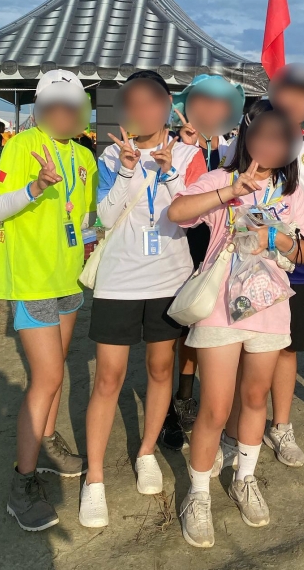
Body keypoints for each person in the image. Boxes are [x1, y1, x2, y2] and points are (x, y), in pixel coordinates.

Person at [168, 101, 304, 549]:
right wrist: (232, 192)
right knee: (215, 406)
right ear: (246, 138)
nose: (270, 145)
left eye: (280, 138)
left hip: (270, 307)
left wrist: (291, 242)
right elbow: (178, 213)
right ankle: (197, 495)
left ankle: (245, 478)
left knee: (255, 398)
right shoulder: (221, 179)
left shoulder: (291, 194)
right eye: (263, 135)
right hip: (218, 308)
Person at [78, 72, 206, 528]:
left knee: (159, 369)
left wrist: (169, 172)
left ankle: (147, 450)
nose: (143, 111)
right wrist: (129, 168)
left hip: (169, 279)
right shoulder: (112, 153)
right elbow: (106, 215)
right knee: (108, 378)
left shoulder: (191, 155)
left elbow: (188, 220)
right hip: (118, 280)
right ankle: (94, 479)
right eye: (134, 103)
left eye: (152, 102)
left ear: (168, 104)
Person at [222, 65, 304, 469]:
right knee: (242, 350)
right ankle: (233, 431)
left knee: (286, 350)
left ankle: (280, 426)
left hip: (294, 266)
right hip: (242, 266)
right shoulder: (247, 141)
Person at [0, 70, 98, 531]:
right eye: (54, 106)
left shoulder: (84, 155)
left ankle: (49, 443)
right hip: (31, 278)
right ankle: (22, 483)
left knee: (57, 368)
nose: (63, 114)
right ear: (40, 107)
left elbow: (86, 215)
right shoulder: (21, 146)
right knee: (47, 375)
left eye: (71, 107)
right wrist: (35, 187)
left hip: (69, 277)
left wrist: (92, 242)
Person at [168, 74, 246, 433]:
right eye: (204, 101)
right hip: (181, 244)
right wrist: (185, 151)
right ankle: (182, 397)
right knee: (185, 324)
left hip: (222, 248)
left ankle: (216, 403)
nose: (212, 109)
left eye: (220, 103)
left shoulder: (235, 145)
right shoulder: (172, 146)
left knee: (214, 323)